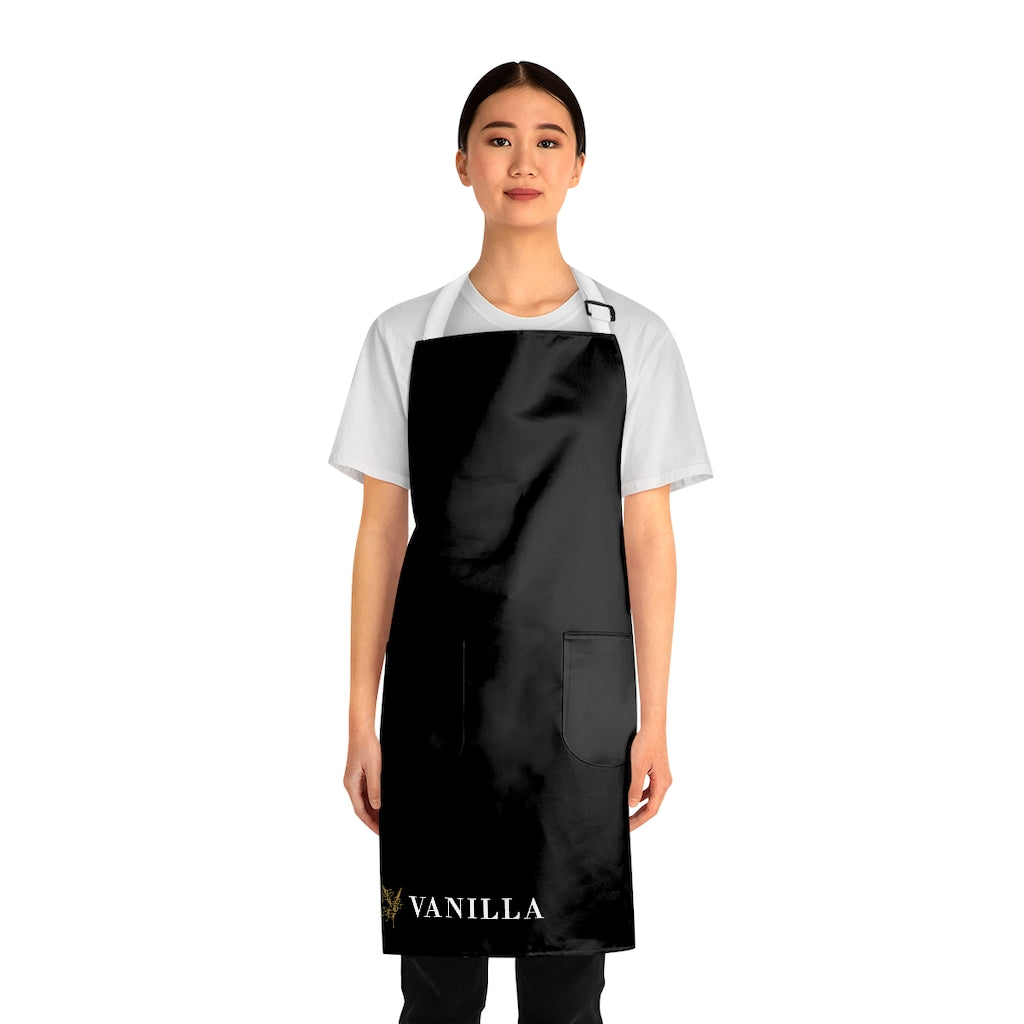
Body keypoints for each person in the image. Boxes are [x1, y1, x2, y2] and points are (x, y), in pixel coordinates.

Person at [328, 60, 713, 1024]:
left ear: (579, 165)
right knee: (437, 992)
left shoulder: (635, 337)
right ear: (462, 163)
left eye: (548, 141)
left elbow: (648, 536)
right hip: (436, 704)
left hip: (579, 705)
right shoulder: (403, 335)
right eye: (498, 139)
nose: (523, 161)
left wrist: (656, 718)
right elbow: (380, 531)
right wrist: (360, 718)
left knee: (567, 992)